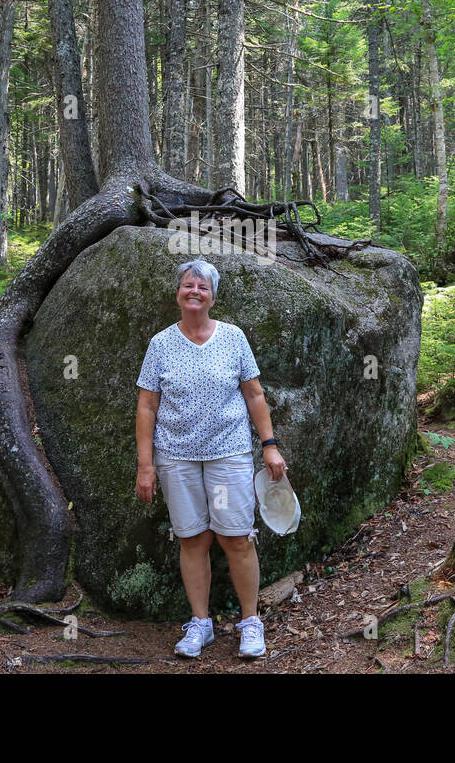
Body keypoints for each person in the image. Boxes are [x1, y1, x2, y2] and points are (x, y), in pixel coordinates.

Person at [135, 259, 286, 659]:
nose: (194, 292)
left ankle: (250, 623)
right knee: (193, 538)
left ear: (213, 297)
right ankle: (200, 624)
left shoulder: (233, 338)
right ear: (178, 293)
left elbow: (255, 395)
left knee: (235, 537)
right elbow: (147, 406)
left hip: (228, 455)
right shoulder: (161, 344)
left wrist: (269, 443)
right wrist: (145, 466)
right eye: (188, 285)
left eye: (202, 287)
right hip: (176, 458)